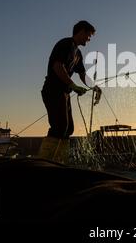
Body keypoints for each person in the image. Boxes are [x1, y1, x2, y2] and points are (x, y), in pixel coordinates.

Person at [39, 20, 96, 164]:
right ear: (81, 31)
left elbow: (82, 74)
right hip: (52, 90)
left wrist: (94, 87)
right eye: (88, 35)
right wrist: (73, 85)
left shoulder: (78, 53)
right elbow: (57, 66)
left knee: (68, 128)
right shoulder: (65, 44)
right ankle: (43, 162)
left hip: (64, 93)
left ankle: (60, 161)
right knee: (59, 127)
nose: (89, 39)